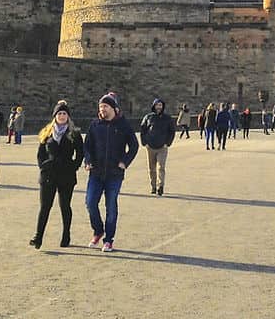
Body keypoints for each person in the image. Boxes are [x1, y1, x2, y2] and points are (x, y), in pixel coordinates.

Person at [84, 92, 139, 252]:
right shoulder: (95, 125)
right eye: (101, 107)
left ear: (114, 108)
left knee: (111, 207)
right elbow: (87, 146)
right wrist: (88, 160)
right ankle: (98, 231)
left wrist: (125, 161)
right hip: (96, 172)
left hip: (114, 174)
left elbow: (134, 145)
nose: (102, 109)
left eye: (105, 106)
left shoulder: (123, 125)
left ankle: (109, 239)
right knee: (90, 203)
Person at [29, 100, 84, 249]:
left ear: (68, 116)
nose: (61, 115)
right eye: (59, 113)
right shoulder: (47, 133)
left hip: (66, 175)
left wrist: (74, 166)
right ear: (55, 116)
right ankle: (38, 236)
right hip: (49, 175)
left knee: (64, 206)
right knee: (45, 206)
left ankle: (66, 235)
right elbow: (40, 154)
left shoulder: (74, 133)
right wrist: (43, 167)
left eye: (64, 113)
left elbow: (80, 153)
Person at [140, 98, 176, 196]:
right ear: (154, 106)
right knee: (152, 168)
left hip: (162, 147)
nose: (159, 107)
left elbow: (172, 132)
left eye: (160, 105)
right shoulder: (148, 117)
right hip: (150, 146)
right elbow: (143, 130)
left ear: (163, 106)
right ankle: (153, 186)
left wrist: (167, 143)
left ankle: (161, 186)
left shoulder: (167, 118)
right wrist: (145, 143)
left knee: (161, 167)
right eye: (157, 105)